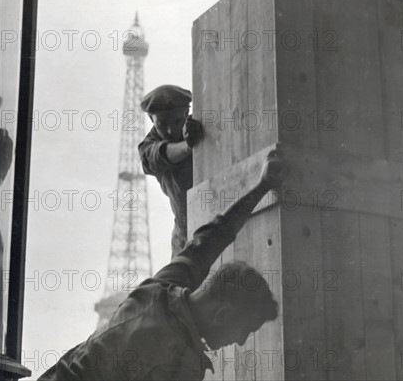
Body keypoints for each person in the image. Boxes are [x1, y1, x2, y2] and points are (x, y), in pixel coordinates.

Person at [39, 148, 289, 381]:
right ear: (222, 314)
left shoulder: (159, 291)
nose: (242, 341)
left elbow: (212, 238)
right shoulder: (180, 365)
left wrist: (263, 186)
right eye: (245, 330)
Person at [138, 85, 204, 258]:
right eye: (162, 124)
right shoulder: (147, 147)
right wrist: (191, 147)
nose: (170, 130)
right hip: (184, 234)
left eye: (176, 122)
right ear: (152, 120)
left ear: (187, 112)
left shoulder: (201, 125)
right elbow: (158, 155)